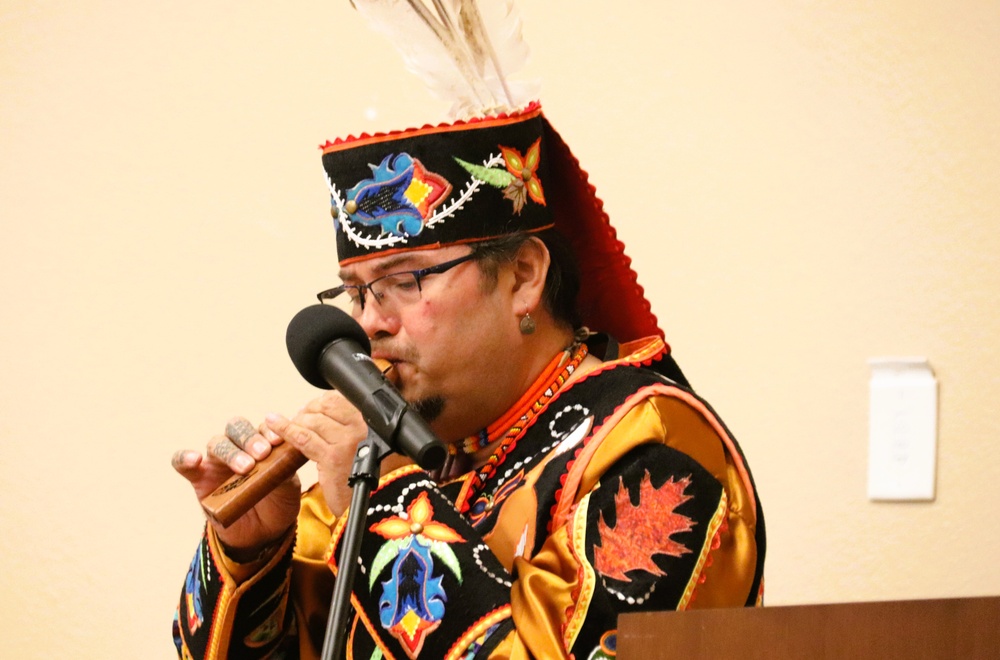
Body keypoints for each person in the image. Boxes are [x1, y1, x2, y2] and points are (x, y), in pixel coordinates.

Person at [172, 9, 765, 660]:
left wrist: (389, 509)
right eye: (358, 289)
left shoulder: (653, 448)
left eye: (407, 279)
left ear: (522, 276)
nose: (370, 321)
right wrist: (255, 550)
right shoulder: (389, 459)